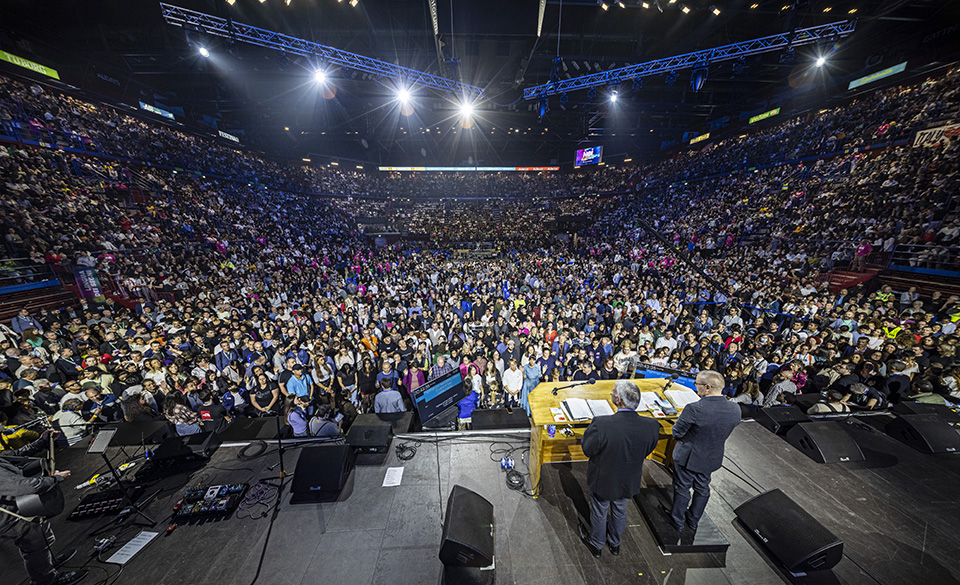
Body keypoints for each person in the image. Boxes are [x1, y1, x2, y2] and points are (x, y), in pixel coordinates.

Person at [578, 380, 660, 558]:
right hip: (629, 479)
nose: (611, 394)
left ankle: (597, 544)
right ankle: (615, 544)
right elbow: (647, 450)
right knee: (621, 509)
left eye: (613, 392)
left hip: (604, 478)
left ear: (619, 400)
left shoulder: (601, 424)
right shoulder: (652, 426)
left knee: (600, 510)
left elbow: (587, 449)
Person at [0, 429, 88, 585]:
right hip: (11, 517)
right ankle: (46, 580)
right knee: (34, 545)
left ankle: (48, 563)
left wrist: (42, 441)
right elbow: (26, 487)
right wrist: (55, 479)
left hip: (19, 507)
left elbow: (15, 454)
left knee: (42, 535)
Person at [666, 369, 741, 532]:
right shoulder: (735, 409)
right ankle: (693, 521)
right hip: (712, 457)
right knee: (703, 488)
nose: (695, 387)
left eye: (696, 384)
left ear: (707, 387)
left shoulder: (694, 408)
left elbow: (677, 433)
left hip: (688, 457)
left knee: (682, 487)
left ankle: (677, 521)